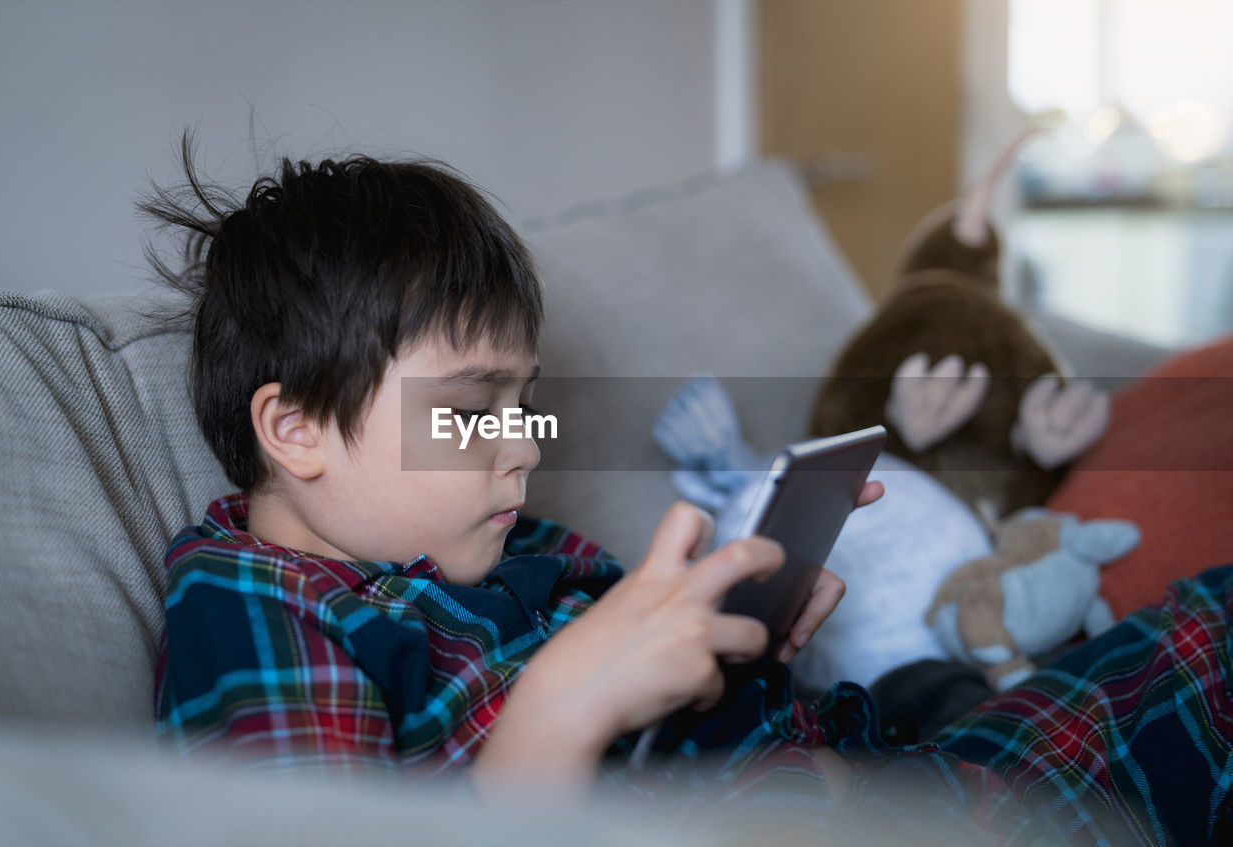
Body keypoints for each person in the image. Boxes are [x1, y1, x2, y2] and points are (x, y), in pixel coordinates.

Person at [146, 134, 1231, 844]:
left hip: (893, 772)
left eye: (526, 400)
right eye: (478, 405)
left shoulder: (536, 554)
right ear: (294, 428)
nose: (521, 445)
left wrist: (747, 637)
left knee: (1209, 630)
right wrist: (558, 712)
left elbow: (690, 717)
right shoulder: (256, 602)